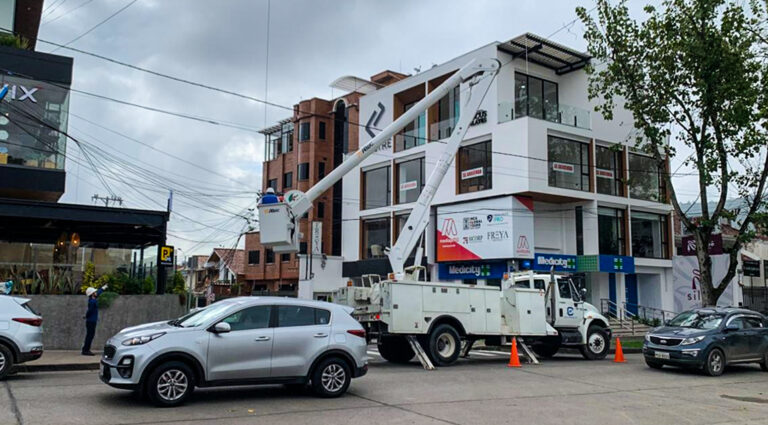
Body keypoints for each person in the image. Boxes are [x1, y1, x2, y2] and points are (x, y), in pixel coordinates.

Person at [82, 284, 108, 356]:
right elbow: (90, 311)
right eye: (94, 292)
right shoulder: (92, 302)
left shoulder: (93, 299)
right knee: (90, 336)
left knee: (90, 335)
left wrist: (103, 288)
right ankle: (86, 350)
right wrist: (86, 316)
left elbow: (98, 292)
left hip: (91, 321)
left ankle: (85, 349)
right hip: (91, 321)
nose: (96, 292)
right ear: (92, 294)